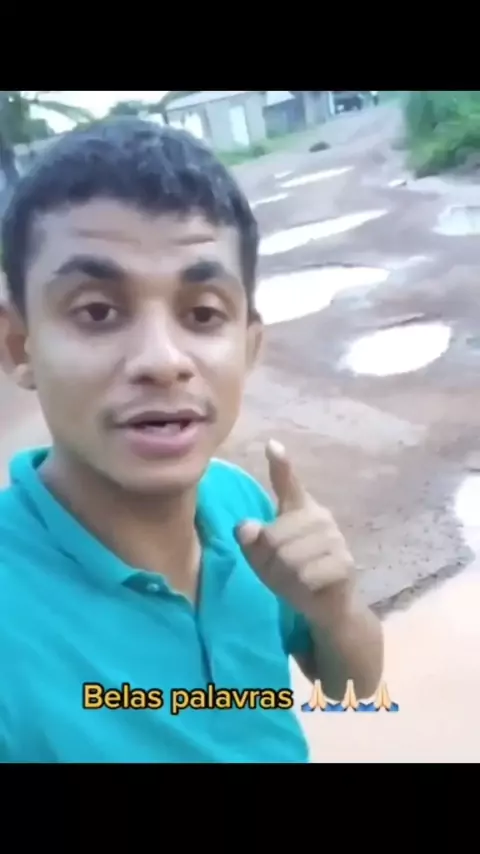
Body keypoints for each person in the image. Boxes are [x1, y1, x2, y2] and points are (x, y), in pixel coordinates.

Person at [0, 118, 383, 763]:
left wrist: (336, 611)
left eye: (203, 314)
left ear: (249, 346)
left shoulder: (240, 506)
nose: (162, 360)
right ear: (20, 346)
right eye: (97, 311)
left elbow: (354, 691)